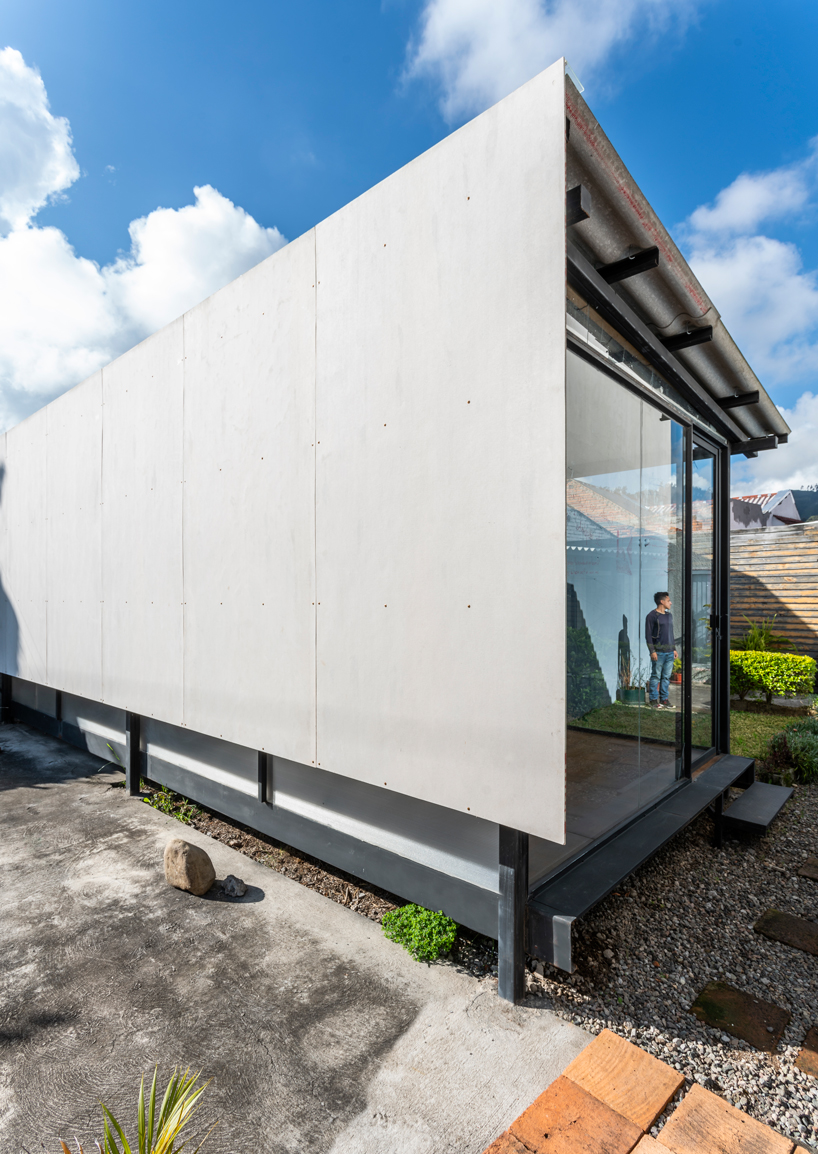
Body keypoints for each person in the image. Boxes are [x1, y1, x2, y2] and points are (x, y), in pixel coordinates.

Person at [645, 592, 678, 709]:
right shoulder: (652, 616)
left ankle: (664, 699)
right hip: (658, 652)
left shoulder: (669, 616)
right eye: (668, 600)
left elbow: (671, 634)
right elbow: (648, 635)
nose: (671, 602)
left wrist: (674, 648)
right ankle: (653, 700)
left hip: (669, 652)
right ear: (662, 602)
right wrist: (652, 651)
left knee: (666, 677)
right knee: (655, 676)